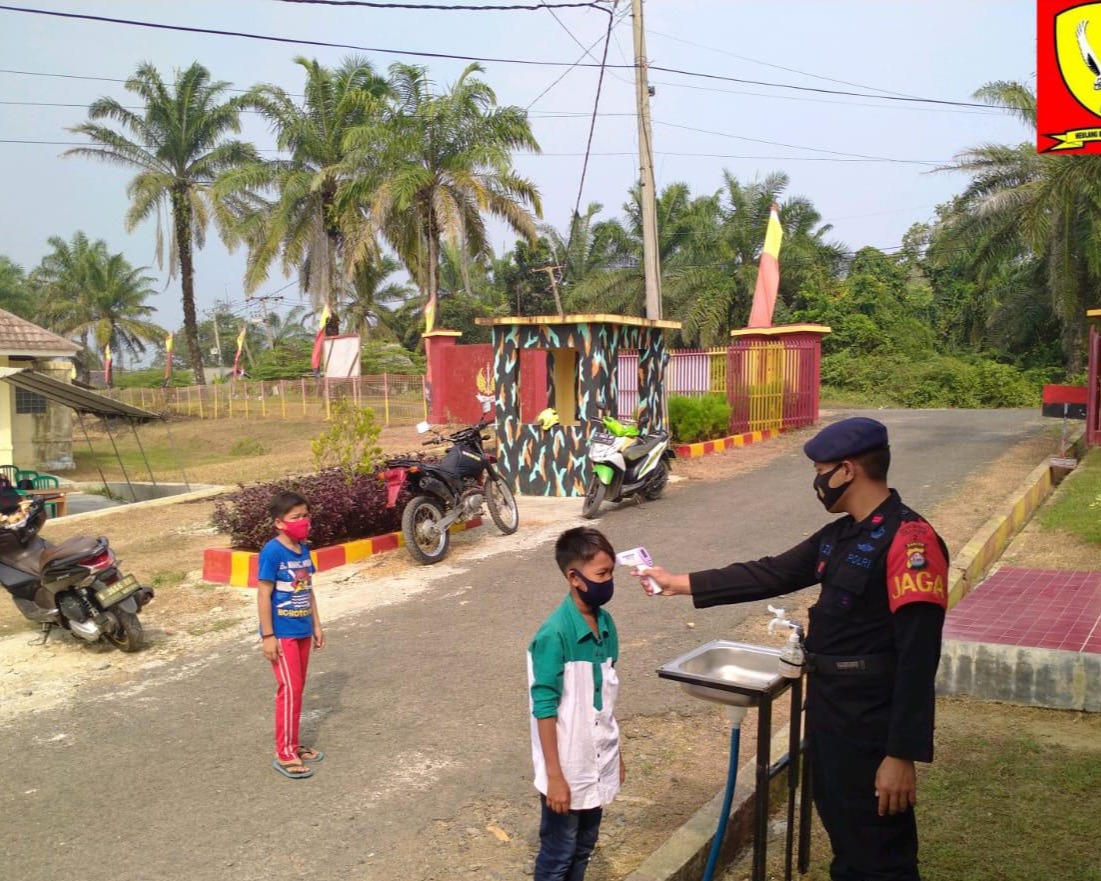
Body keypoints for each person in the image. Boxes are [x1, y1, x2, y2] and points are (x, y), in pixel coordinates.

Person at [640, 417, 947, 881]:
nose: (816, 482)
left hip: (872, 722)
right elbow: (770, 573)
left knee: (880, 855)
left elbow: (918, 656)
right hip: (830, 710)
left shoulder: (910, 542)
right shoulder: (843, 535)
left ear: (848, 470)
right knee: (847, 835)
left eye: (821, 470)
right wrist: (676, 584)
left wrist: (901, 754)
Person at [527, 527, 625, 881]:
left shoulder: (607, 625)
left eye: (611, 572)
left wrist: (617, 757)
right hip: (567, 768)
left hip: (596, 764)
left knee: (584, 847)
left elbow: (607, 701)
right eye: (602, 574)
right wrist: (554, 776)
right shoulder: (553, 635)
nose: (609, 581)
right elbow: (544, 707)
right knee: (558, 855)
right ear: (574, 577)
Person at [257, 490, 326, 779]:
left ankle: (293, 744)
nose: (303, 521)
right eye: (295, 517)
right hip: (282, 633)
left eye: (305, 515)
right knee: (290, 690)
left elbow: (307, 590)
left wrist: (317, 624)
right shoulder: (272, 552)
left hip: (302, 630)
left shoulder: (304, 550)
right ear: (280, 523)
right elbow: (263, 593)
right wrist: (268, 635)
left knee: (297, 689)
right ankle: (284, 751)